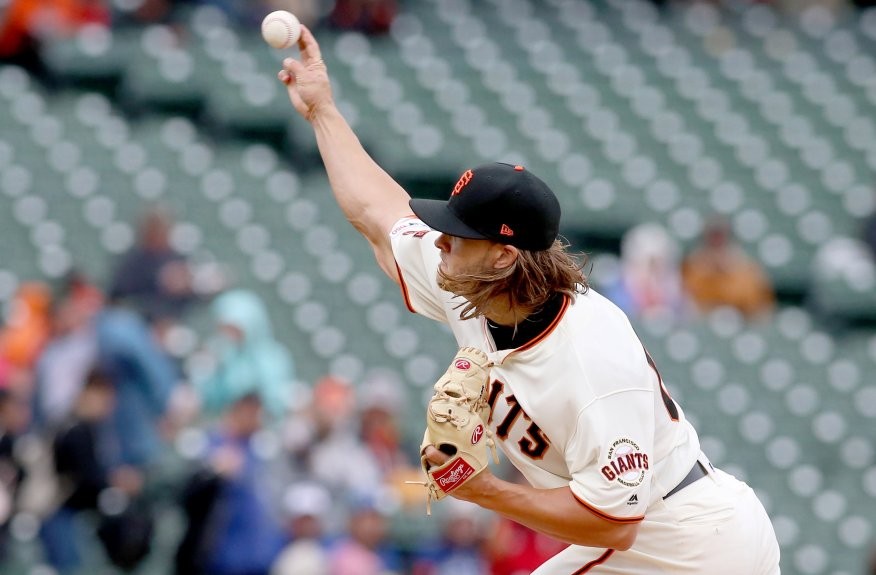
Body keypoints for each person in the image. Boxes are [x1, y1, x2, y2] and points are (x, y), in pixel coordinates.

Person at [276, 27, 781, 574]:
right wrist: (323, 111)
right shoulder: (470, 285)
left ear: (502, 255)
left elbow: (616, 523)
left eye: (458, 233)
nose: (441, 240)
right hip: (650, 532)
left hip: (693, 542)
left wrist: (483, 491)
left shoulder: (590, 355)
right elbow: (377, 213)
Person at [681, 216, 775, 319]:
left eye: (720, 236)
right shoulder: (690, 267)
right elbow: (684, 301)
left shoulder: (748, 269)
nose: (716, 241)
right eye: (713, 236)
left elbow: (760, 307)